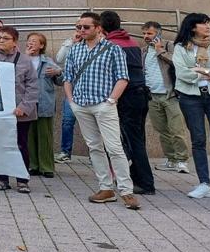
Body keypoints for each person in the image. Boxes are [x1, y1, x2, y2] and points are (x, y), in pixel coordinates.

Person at [63, 11, 139, 210]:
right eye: (78, 27)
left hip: (103, 104)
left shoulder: (113, 49)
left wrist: (111, 100)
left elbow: (122, 77)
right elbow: (67, 77)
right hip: (81, 104)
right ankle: (105, 188)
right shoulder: (74, 50)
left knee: (114, 148)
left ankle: (126, 190)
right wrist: (72, 101)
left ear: (98, 28)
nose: (81, 30)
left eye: (86, 27)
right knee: (94, 147)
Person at [171, 13, 210, 203]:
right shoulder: (181, 48)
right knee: (198, 140)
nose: (208, 27)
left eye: (208, 23)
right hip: (190, 98)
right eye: (203, 23)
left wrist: (203, 71)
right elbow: (182, 73)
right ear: (192, 27)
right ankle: (205, 184)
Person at [101, 11, 155, 196]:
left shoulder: (111, 45)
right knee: (138, 139)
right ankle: (140, 178)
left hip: (127, 96)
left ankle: (145, 183)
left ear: (101, 28)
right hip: (141, 95)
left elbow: (112, 75)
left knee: (132, 141)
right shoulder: (131, 41)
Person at [0, 26, 37, 193]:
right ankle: (2, 179)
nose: (0, 41)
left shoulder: (25, 60)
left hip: (19, 113)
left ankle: (22, 180)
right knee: (0, 145)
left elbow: (33, 86)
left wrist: (24, 107)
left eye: (5, 38)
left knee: (20, 145)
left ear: (14, 42)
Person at [142, 20, 188, 174]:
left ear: (158, 33)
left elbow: (178, 64)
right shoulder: (143, 51)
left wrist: (160, 50)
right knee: (162, 130)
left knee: (177, 130)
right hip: (153, 97)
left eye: (150, 33)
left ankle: (182, 160)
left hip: (170, 95)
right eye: (144, 33)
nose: (146, 36)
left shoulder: (170, 46)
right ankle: (171, 159)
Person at [24, 32, 62, 178]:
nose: (31, 43)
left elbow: (60, 81)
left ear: (42, 45)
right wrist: (26, 57)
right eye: (29, 40)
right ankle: (33, 165)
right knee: (29, 135)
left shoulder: (47, 61)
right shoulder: (22, 60)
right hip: (27, 103)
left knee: (45, 135)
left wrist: (58, 73)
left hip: (44, 102)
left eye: (35, 41)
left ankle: (46, 167)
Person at [53, 28, 82, 163]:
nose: (80, 30)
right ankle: (65, 152)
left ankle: (96, 155)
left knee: (94, 125)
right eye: (78, 27)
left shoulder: (97, 44)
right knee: (67, 122)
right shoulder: (69, 43)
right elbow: (59, 59)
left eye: (83, 27)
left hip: (90, 91)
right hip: (72, 90)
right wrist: (71, 42)